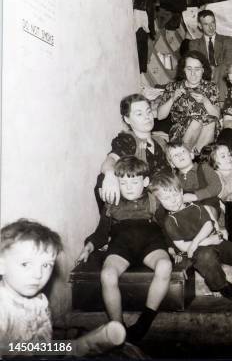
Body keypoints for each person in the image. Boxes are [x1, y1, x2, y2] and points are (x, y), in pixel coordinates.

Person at [77, 156, 173, 343]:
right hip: (121, 246)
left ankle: (145, 321)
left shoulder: (154, 201)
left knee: (164, 266)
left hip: (151, 244)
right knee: (107, 275)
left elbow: (165, 227)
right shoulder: (112, 204)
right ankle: (117, 327)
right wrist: (88, 247)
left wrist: (171, 247)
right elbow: (101, 232)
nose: (128, 187)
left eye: (134, 182)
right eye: (123, 182)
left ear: (145, 182)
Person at [150, 171, 232, 301]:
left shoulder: (195, 206)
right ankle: (222, 286)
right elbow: (184, 247)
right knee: (206, 258)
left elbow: (208, 224)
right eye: (166, 198)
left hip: (212, 242)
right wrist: (206, 242)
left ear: (181, 192)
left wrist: (197, 241)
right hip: (198, 251)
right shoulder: (170, 221)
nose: (173, 201)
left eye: (175, 195)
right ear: (159, 201)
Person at [0, 220, 127, 356]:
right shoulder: (3, 308)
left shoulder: (40, 300)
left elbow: (44, 345)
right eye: (25, 264)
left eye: (46, 265)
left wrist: (57, 349)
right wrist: (75, 346)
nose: (38, 275)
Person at [98, 94, 171, 212]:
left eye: (148, 111)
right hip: (144, 207)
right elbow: (111, 159)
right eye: (139, 114)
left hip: (169, 198)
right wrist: (110, 174)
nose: (147, 117)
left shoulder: (160, 141)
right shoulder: (127, 140)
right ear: (127, 119)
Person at [156, 51, 220, 153]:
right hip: (181, 132)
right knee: (197, 121)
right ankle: (187, 155)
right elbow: (160, 116)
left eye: (197, 69)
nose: (193, 73)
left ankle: (196, 159)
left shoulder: (210, 87)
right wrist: (172, 98)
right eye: (189, 69)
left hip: (207, 131)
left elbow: (217, 116)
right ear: (183, 70)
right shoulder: (173, 87)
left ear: (203, 70)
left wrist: (205, 101)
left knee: (211, 121)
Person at [187, 10, 232, 102]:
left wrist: (215, 70)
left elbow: (230, 61)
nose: (211, 27)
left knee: (222, 69)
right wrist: (209, 69)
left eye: (213, 22)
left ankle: (220, 103)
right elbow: (195, 63)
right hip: (203, 76)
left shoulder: (227, 40)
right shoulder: (194, 44)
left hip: (223, 76)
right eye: (206, 24)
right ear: (200, 26)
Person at [165, 142, 223, 219]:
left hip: (208, 204)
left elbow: (216, 186)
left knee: (207, 210)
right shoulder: (174, 179)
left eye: (183, 151)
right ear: (172, 164)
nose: (180, 155)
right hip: (188, 210)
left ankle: (213, 226)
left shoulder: (204, 168)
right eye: (175, 155)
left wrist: (196, 196)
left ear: (191, 155)